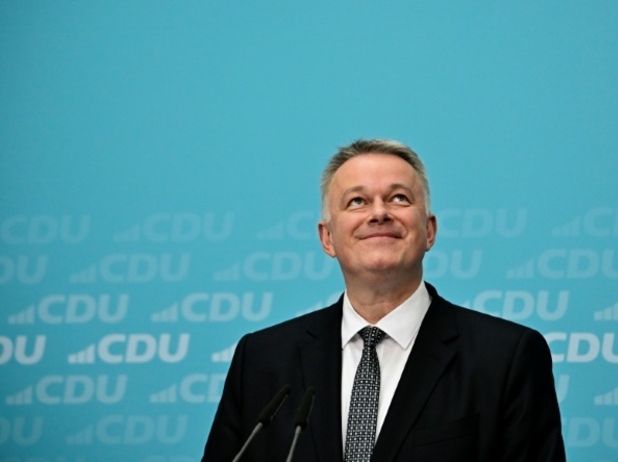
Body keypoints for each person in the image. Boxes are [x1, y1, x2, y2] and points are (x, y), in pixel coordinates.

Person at [202, 138, 565, 461]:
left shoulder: (505, 357)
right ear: (327, 238)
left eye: (399, 198)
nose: (379, 213)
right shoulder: (262, 360)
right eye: (357, 201)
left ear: (429, 231)